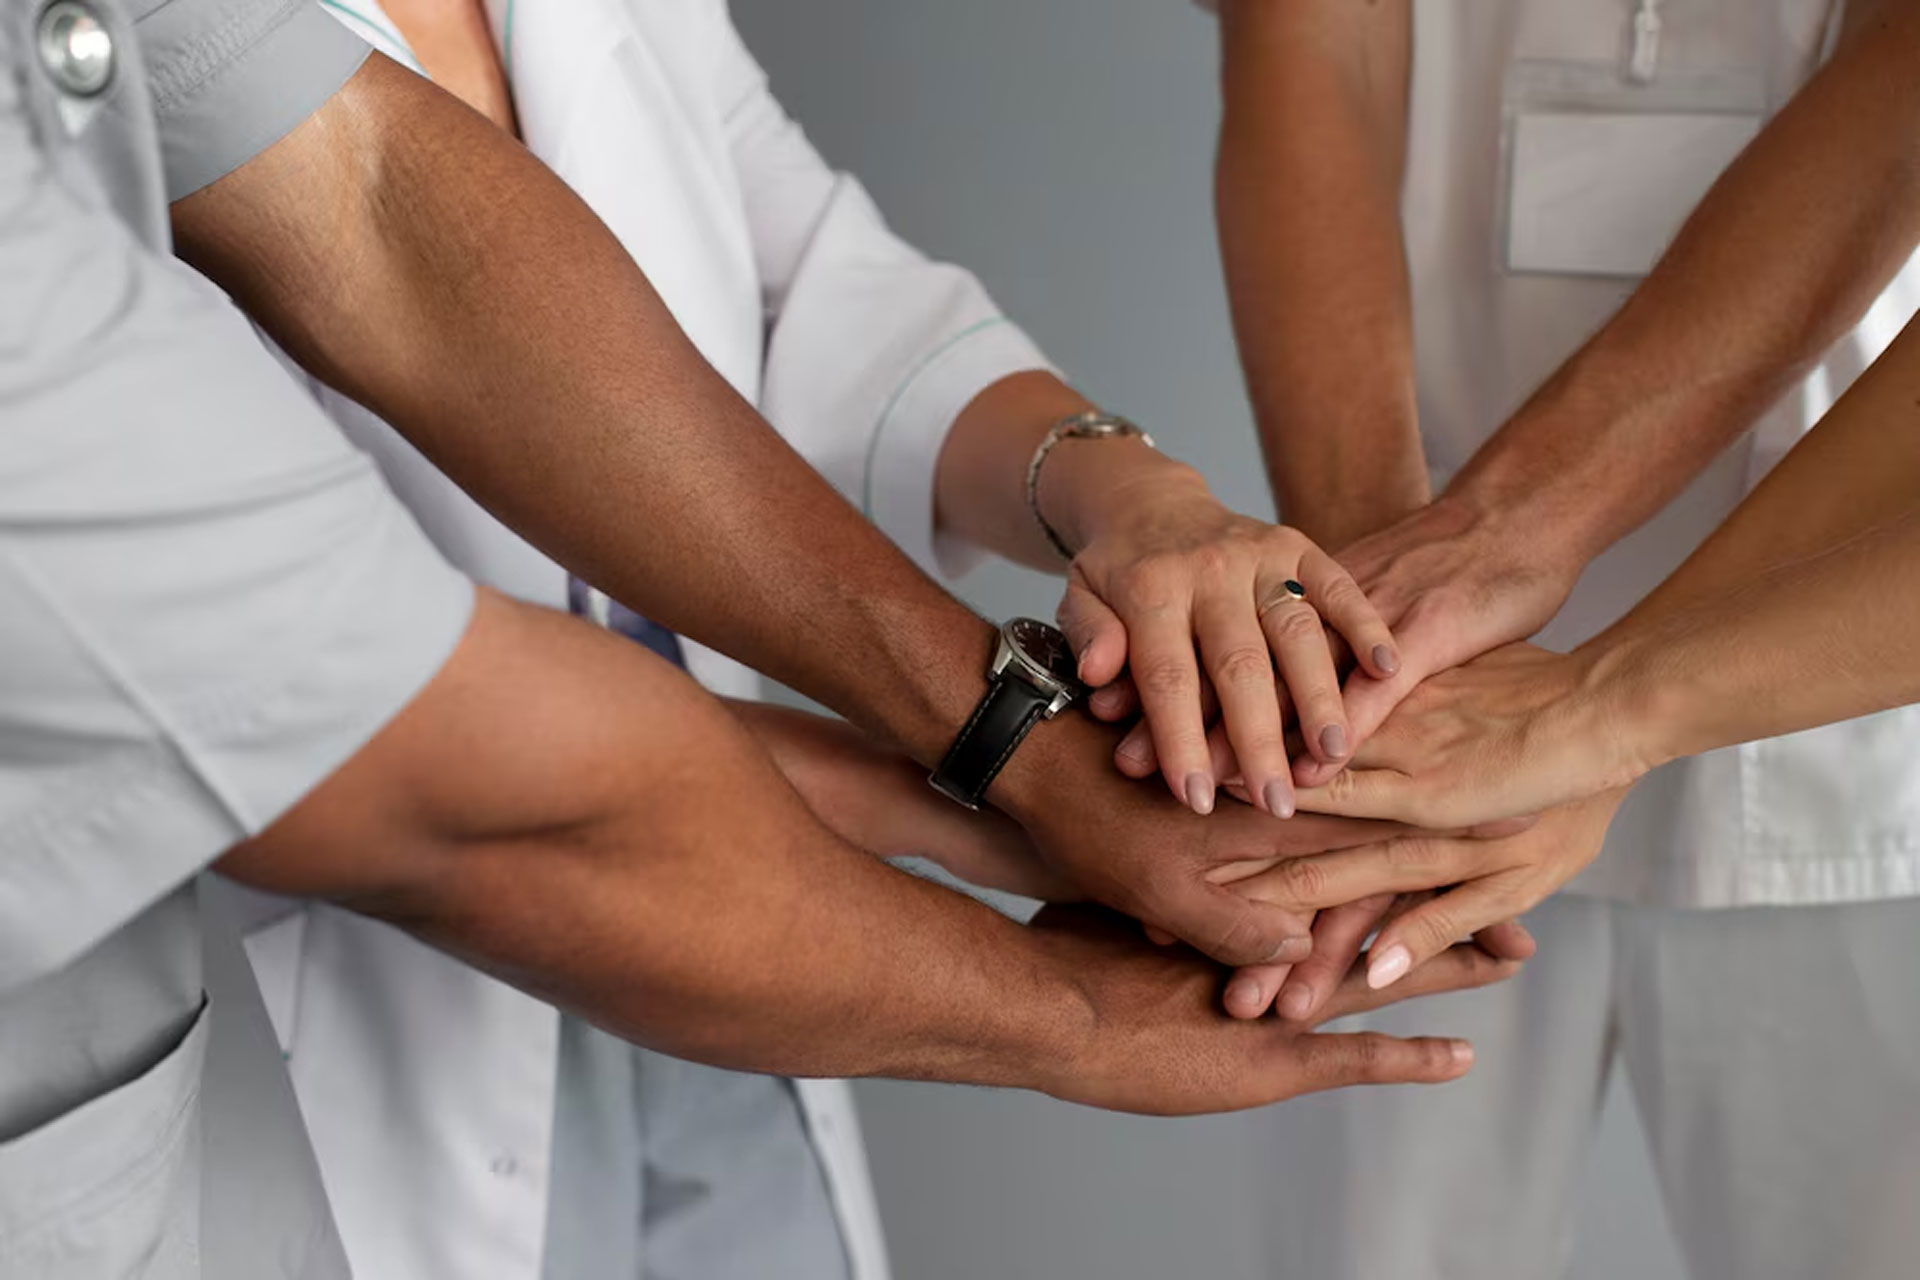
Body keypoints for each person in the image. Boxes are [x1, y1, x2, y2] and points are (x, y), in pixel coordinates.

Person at [0, 4, 1512, 1277]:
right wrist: (1045, 893)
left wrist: (1134, 498)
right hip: (383, 988)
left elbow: (778, 269)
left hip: (762, 966)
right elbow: (417, 750)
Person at [1180, 0, 1920, 1276]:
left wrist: (1580, 663)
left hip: (1836, 715)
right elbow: (1310, 33)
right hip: (1395, 740)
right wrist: (1375, 637)